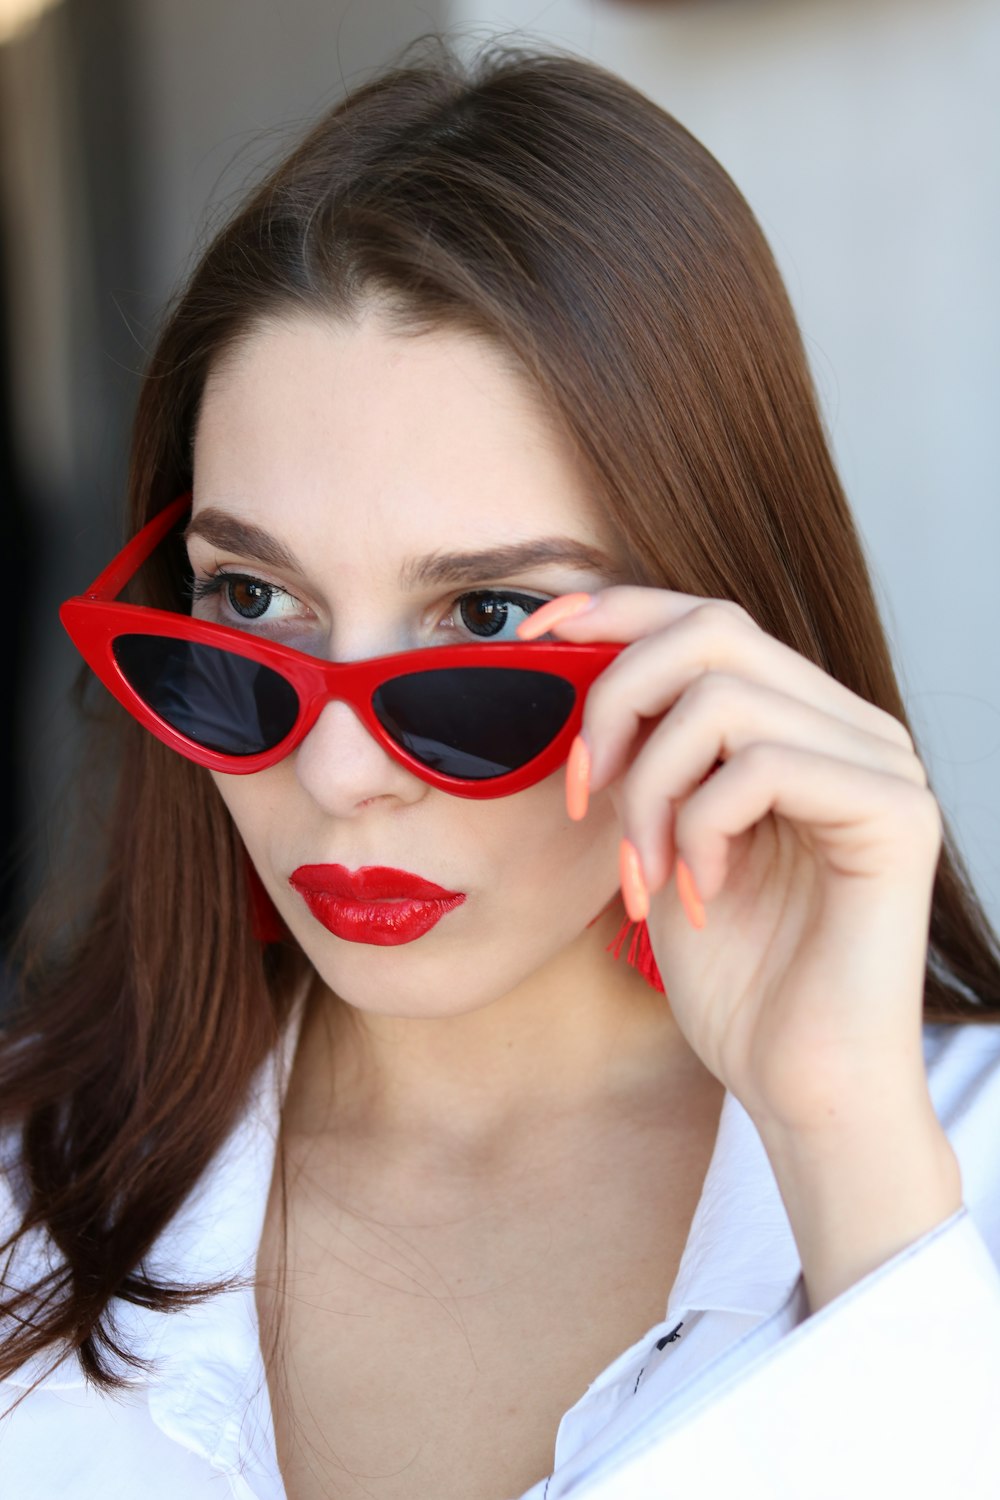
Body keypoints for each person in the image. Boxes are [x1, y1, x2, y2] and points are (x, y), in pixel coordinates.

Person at [2, 40, 999, 1500]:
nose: (343, 776)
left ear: (727, 632)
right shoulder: (32, 1182)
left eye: (487, 620)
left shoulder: (952, 1159)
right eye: (252, 605)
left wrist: (846, 1147)